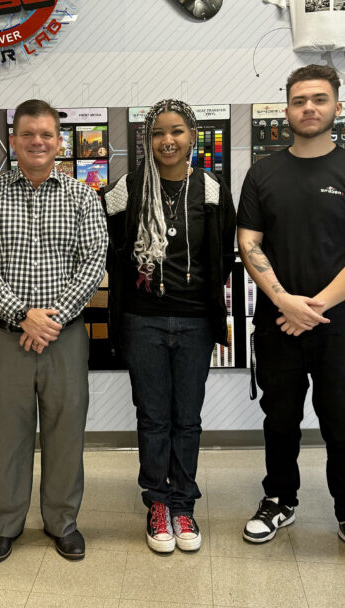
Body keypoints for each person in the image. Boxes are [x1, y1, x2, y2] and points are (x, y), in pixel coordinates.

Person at [237, 65, 345, 573]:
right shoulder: (263, 172)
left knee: (343, 424)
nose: (309, 107)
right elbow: (248, 242)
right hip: (276, 323)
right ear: (286, 110)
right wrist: (283, 300)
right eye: (299, 99)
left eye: (319, 99)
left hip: (336, 327)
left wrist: (313, 307)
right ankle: (279, 501)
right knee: (279, 421)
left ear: (336, 108)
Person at [0, 99, 107, 563]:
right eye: (28, 134)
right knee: (5, 434)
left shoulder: (83, 195)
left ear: (59, 141)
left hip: (65, 338)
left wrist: (52, 317)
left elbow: (93, 263)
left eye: (46, 134)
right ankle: (4, 523)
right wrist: (23, 314)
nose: (38, 142)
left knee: (66, 433)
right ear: (14, 141)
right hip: (6, 337)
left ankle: (62, 521)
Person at [101, 100, 235, 554]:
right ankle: (157, 503)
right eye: (158, 133)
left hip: (195, 322)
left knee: (188, 419)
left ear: (193, 135)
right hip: (144, 322)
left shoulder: (212, 189)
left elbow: (222, 256)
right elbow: (110, 250)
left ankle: (183, 503)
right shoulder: (126, 188)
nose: (167, 141)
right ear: (147, 140)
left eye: (176, 131)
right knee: (154, 418)